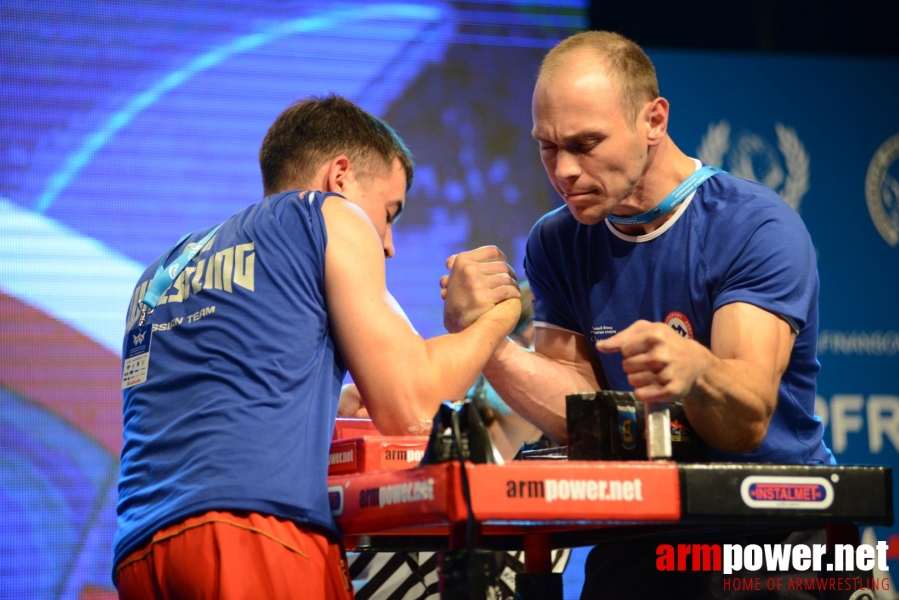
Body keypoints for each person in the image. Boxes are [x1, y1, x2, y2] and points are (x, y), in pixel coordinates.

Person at [441, 31, 838, 599]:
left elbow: (747, 421)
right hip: (641, 530)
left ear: (653, 121)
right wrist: (485, 338)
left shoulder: (753, 227)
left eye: (586, 143)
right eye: (548, 147)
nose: (564, 170)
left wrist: (697, 372)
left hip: (775, 530)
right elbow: (577, 408)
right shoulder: (557, 239)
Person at [113, 95, 521, 599]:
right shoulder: (328, 215)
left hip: (141, 552)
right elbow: (413, 407)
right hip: (251, 533)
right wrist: (497, 319)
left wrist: (333, 404)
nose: (389, 242)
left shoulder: (163, 270)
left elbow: (216, 405)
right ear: (341, 178)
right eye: (390, 212)